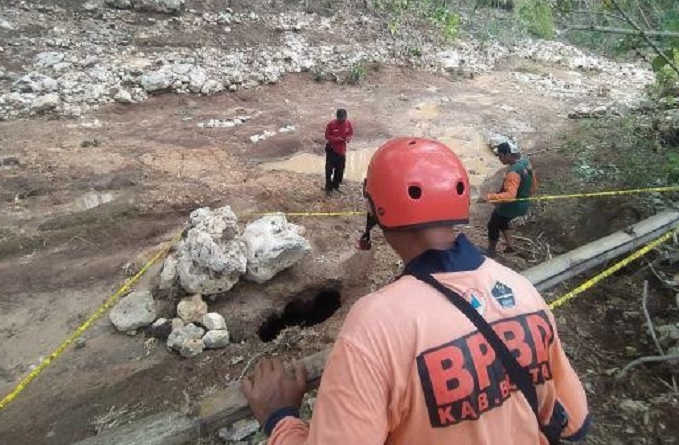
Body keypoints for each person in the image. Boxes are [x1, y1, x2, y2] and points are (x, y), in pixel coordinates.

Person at [242, 137, 590, 445]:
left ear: (373, 208)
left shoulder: (376, 325)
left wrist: (280, 420)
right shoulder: (522, 289)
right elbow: (572, 422)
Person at [480, 141, 537, 257]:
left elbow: (510, 196)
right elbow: (533, 188)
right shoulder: (526, 163)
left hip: (512, 206)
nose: (499, 159)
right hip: (523, 204)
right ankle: (510, 246)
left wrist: (489, 197)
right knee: (503, 222)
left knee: (493, 223)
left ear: (507, 155)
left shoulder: (513, 173)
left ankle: (491, 251)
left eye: (500, 155)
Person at [324, 108, 354, 195]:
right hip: (332, 150)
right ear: (337, 117)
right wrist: (336, 139)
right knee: (329, 170)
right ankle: (328, 188)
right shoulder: (331, 124)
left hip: (342, 150)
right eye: (341, 118)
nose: (343, 120)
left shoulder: (348, 123)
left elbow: (350, 133)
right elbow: (327, 136)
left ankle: (336, 186)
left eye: (344, 118)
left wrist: (348, 137)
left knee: (340, 170)